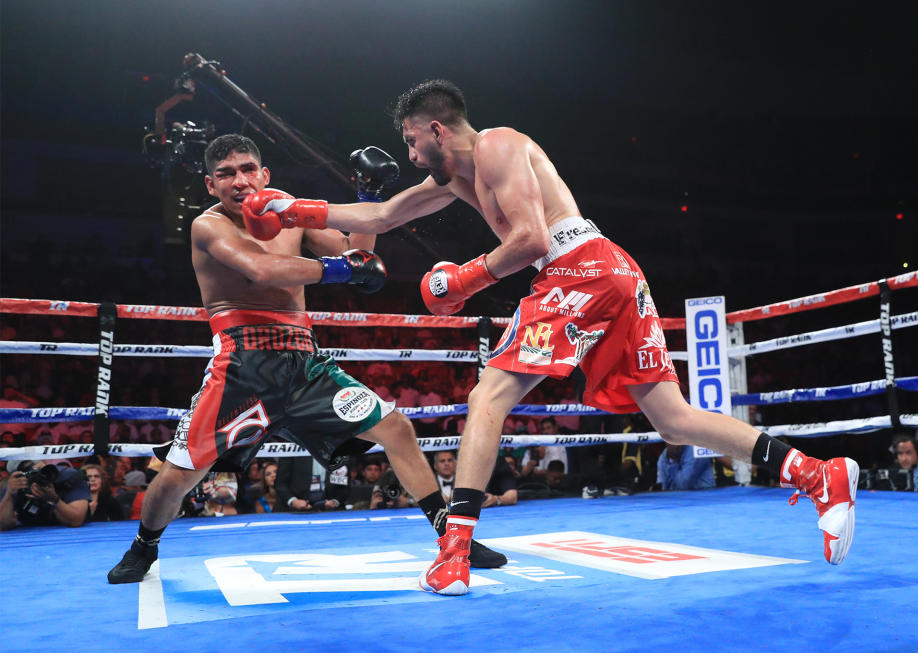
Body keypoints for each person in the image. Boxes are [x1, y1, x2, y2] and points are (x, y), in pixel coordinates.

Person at [241, 81, 858, 595]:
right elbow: (379, 217)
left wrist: (466, 280)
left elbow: (533, 239)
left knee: (489, 397)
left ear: (435, 129)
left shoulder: (500, 146)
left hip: (577, 267)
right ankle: (814, 471)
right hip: (609, 269)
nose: (408, 156)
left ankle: (454, 551)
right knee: (671, 419)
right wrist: (292, 209)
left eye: (409, 141)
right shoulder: (456, 180)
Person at [106, 134, 504, 584]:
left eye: (248, 169)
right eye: (226, 173)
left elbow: (355, 255)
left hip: (304, 363)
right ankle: (145, 547)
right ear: (210, 184)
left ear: (264, 174)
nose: (240, 180)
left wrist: (367, 197)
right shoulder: (207, 226)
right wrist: (343, 271)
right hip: (242, 367)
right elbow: (261, 269)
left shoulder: (290, 212)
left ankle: (453, 539)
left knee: (396, 428)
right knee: (180, 474)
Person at [0, 459, 89, 530]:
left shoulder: (69, 477)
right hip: (31, 535)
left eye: (35, 470)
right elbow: (2, 525)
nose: (33, 476)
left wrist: (54, 499)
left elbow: (76, 520)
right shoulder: (15, 484)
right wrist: (9, 495)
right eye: (27, 473)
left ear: (44, 463)